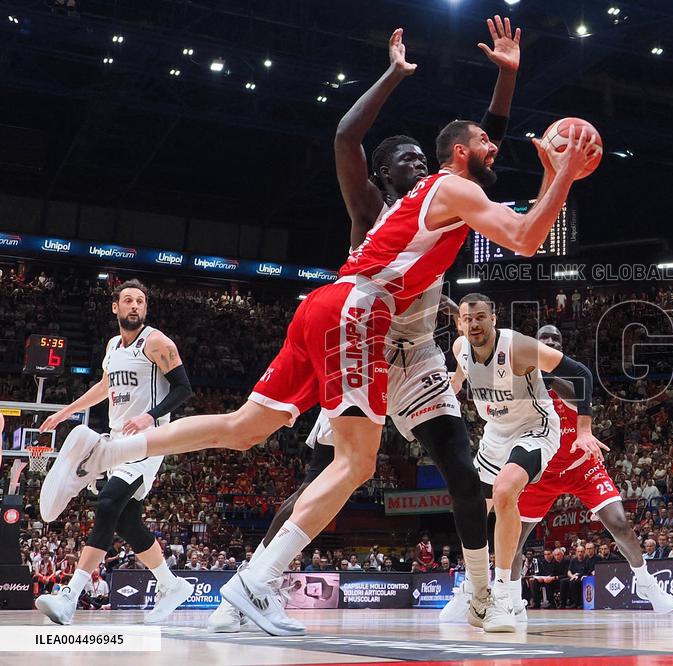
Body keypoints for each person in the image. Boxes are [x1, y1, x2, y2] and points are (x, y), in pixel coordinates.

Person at [41, 89, 595, 640]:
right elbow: (525, 237)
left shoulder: (440, 191)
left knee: (242, 429)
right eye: (482, 144)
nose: (494, 148)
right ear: (456, 154)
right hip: (359, 316)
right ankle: (257, 580)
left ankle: (104, 449)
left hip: (327, 309)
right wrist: (563, 173)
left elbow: (496, 175)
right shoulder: (446, 187)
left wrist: (528, 126)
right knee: (356, 463)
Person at [209, 20, 522, 634]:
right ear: (383, 175)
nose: (413, 160)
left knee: (460, 467)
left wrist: (506, 79)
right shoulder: (371, 211)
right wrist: (393, 75)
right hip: (358, 343)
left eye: (417, 153)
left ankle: (481, 590)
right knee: (322, 477)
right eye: (401, 157)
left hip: (417, 353)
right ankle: (249, 586)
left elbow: (489, 147)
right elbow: (347, 136)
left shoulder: (451, 194)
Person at [35, 280, 194, 626]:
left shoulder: (156, 342)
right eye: (128, 300)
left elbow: (185, 388)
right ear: (115, 308)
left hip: (149, 440)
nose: (134, 305)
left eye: (140, 301)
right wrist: (65, 412)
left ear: (145, 309)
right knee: (126, 520)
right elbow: (105, 388)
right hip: (116, 440)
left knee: (107, 504)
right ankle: (172, 585)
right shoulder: (112, 346)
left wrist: (150, 415)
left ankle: (70, 596)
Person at [451, 301, 609, 630]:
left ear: (494, 319)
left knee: (505, 490)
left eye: (481, 317)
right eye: (468, 319)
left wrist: (583, 429)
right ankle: (473, 589)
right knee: (473, 509)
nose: (475, 324)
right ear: (461, 324)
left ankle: (504, 593)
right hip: (495, 434)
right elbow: (457, 377)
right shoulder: (460, 348)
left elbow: (580, 374)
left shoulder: (518, 346)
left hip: (535, 429)